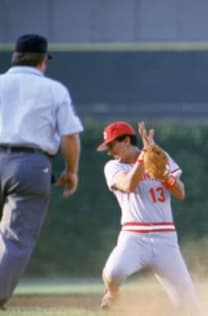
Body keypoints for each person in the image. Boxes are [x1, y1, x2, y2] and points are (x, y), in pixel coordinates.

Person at [0, 34, 83, 310]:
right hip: (31, 164)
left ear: (15, 57)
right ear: (43, 61)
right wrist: (72, 171)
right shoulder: (54, 90)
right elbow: (69, 137)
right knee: (15, 238)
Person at [97, 121, 199, 315]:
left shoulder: (160, 157)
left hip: (165, 239)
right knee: (113, 273)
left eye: (111, 145)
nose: (109, 151)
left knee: (189, 306)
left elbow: (181, 192)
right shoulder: (113, 166)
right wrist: (143, 157)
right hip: (134, 236)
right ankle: (112, 293)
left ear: (126, 141)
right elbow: (128, 185)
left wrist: (165, 174)